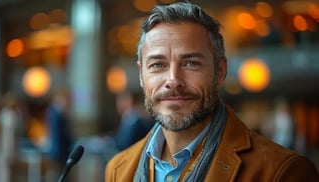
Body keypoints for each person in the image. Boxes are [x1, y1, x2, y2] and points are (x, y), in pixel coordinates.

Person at [105, 2, 319, 182]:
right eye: (157, 65)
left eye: (190, 63)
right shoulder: (118, 169)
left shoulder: (282, 172)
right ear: (141, 75)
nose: (173, 81)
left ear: (220, 71)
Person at [44, 88, 73, 182]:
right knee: (58, 176)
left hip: (63, 151)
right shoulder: (54, 112)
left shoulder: (59, 112)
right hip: (58, 152)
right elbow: (57, 135)